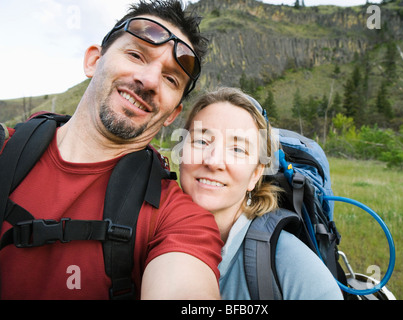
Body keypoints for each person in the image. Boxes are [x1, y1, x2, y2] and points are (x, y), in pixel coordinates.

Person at [0, 0, 223, 300]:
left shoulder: (178, 219)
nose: (149, 81)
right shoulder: (5, 150)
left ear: (173, 114)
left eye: (171, 79)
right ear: (94, 60)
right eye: (135, 54)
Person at [179, 87, 343, 300]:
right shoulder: (149, 231)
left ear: (255, 175)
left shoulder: (291, 264)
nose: (213, 161)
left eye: (237, 150)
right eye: (201, 141)